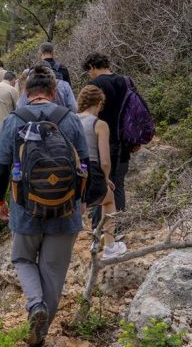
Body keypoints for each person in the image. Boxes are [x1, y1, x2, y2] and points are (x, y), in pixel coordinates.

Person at [0, 64, 89, 347]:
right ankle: (41, 335)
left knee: (22, 259)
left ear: (25, 92)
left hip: (25, 209)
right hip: (66, 210)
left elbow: (1, 167)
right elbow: (86, 164)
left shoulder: (14, 120)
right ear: (53, 91)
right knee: (53, 273)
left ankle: (35, 304)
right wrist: (82, 201)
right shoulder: (70, 119)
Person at [82, 53, 134, 240]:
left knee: (102, 186)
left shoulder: (95, 85)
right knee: (118, 185)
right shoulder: (126, 81)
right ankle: (117, 230)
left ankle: (99, 231)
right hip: (124, 141)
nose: (89, 74)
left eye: (88, 71)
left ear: (92, 67)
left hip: (102, 141)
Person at [77, 85, 127, 259]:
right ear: (99, 103)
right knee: (109, 199)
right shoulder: (100, 124)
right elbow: (105, 161)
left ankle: (95, 240)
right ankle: (110, 247)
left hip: (71, 173)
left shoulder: (70, 120)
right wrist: (106, 178)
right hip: (91, 172)